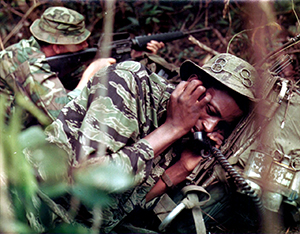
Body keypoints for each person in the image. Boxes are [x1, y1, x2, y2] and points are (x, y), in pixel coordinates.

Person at [44, 52, 258, 233]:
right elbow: (85, 183)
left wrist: (181, 168)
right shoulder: (129, 82)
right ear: (192, 85)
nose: (210, 127)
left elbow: (117, 211)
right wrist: (171, 129)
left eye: (221, 125)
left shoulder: (186, 137)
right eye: (210, 111)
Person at [0, 6, 164, 128]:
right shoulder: (25, 62)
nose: (86, 45)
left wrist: (132, 57)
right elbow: (62, 115)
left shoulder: (49, 56)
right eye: (79, 42)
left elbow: (76, 81)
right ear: (57, 47)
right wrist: (90, 74)